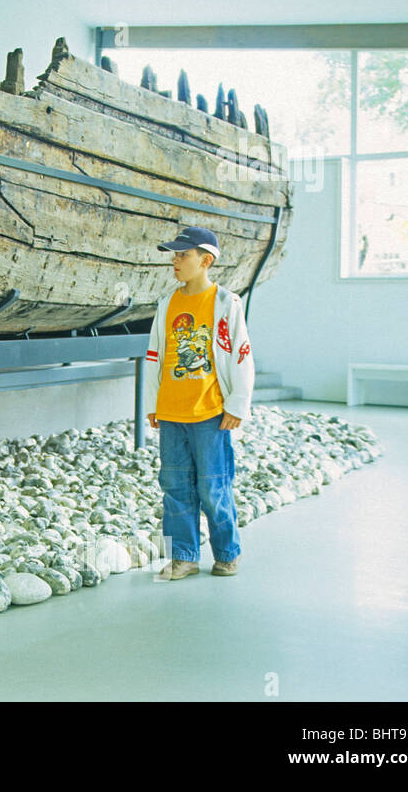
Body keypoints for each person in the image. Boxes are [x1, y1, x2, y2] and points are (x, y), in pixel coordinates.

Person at [143, 227, 255, 580]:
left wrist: (237, 404)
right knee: (174, 488)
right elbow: (154, 356)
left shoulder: (226, 303)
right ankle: (184, 557)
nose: (175, 261)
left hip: (210, 414)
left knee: (212, 486)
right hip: (172, 412)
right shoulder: (167, 303)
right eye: (174, 255)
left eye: (183, 255)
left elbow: (241, 354)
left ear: (206, 260)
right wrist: (152, 403)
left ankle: (227, 552)